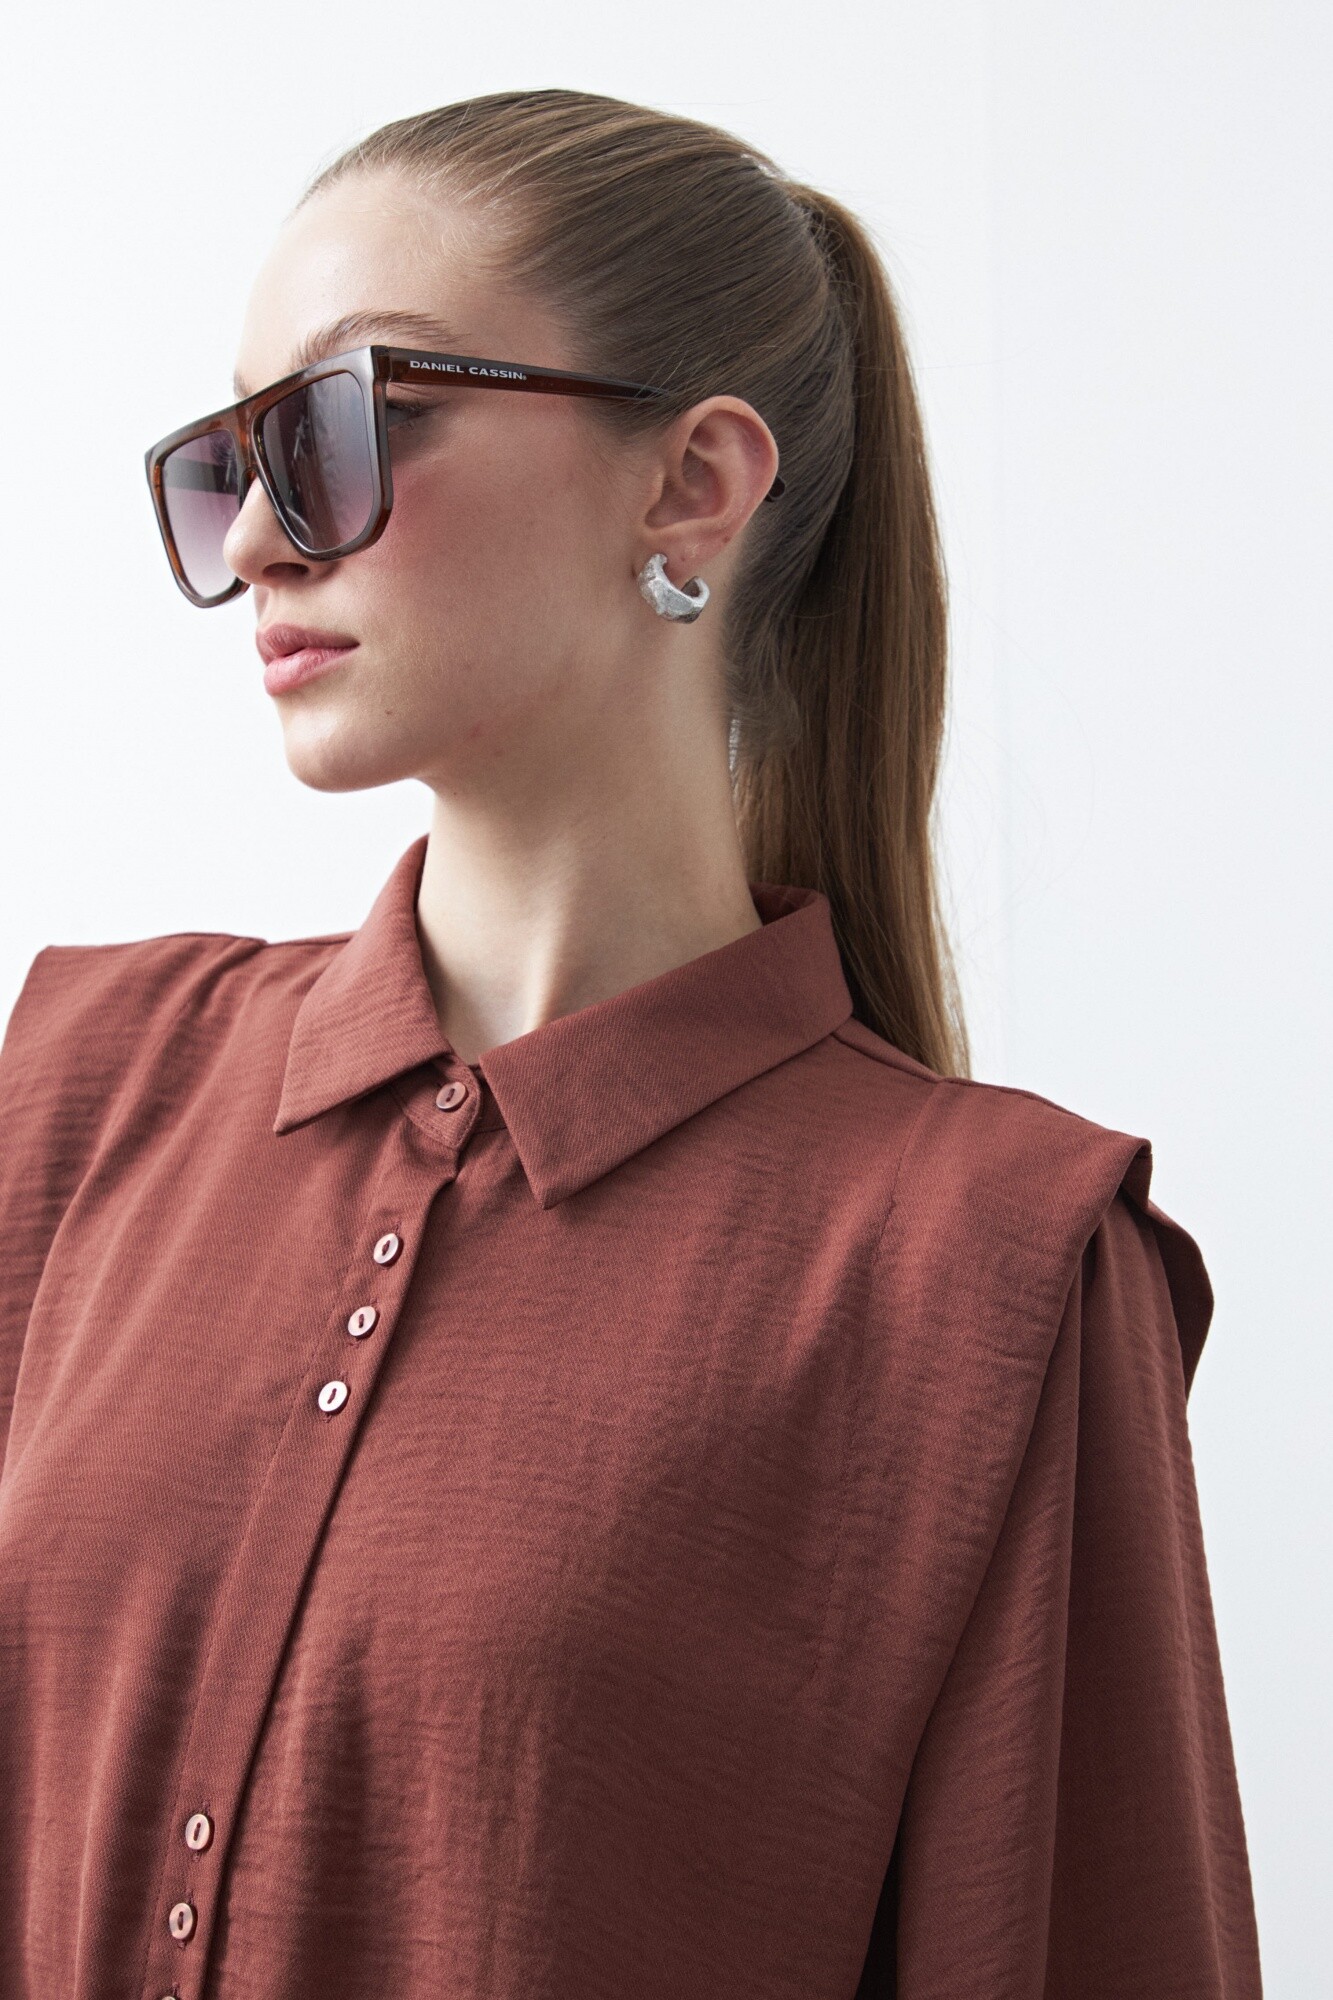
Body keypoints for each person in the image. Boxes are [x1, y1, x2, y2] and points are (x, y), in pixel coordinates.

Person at [0, 87, 1262, 2000]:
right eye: (227, 460)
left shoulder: (991, 1272)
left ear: (690, 484)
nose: (256, 537)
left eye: (340, 428)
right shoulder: (84, 1090)